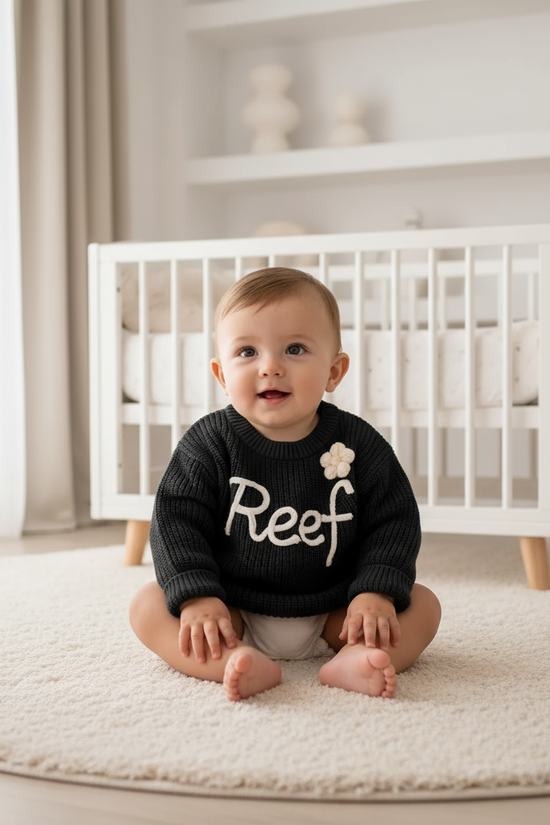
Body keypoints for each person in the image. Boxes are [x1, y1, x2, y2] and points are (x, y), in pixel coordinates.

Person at [129, 267, 441, 702]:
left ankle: (352, 659)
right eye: (247, 352)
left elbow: (394, 520)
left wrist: (374, 591)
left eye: (294, 349)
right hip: (231, 610)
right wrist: (197, 597)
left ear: (334, 371)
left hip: (337, 609)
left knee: (423, 606)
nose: (270, 367)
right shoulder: (208, 444)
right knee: (146, 607)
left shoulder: (359, 443)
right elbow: (176, 522)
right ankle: (232, 663)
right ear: (221, 375)